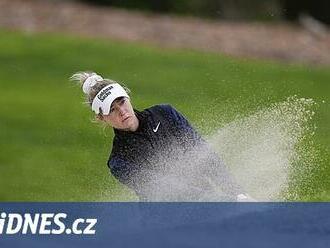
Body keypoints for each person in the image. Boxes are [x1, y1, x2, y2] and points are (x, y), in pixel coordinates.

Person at [71, 71, 254, 201]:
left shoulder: (165, 114)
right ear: (101, 118)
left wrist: (237, 193)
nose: (121, 111)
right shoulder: (119, 161)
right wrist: (224, 202)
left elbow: (203, 153)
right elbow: (168, 190)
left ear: (127, 96)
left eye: (121, 102)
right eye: (112, 109)